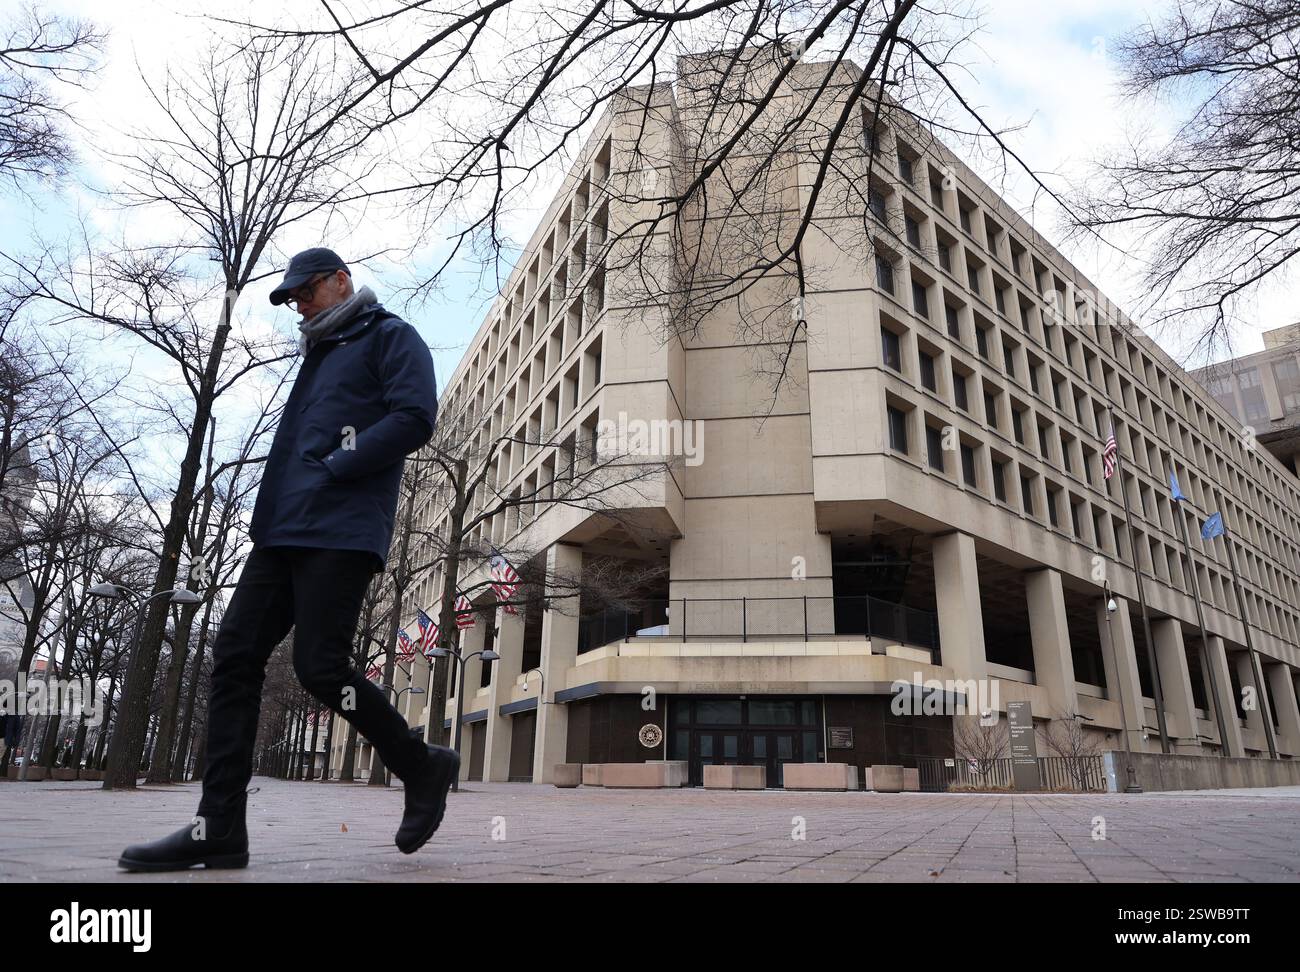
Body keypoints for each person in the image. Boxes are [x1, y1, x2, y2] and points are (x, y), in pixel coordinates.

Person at [118, 247, 459, 872]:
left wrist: (338, 466)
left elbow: (414, 417)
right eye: (291, 297)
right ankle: (217, 826)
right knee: (235, 656)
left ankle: (419, 762)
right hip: (281, 533)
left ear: (341, 280)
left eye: (307, 291)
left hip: (342, 528)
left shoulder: (389, 336)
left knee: (320, 669)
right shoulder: (319, 353)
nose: (299, 304)